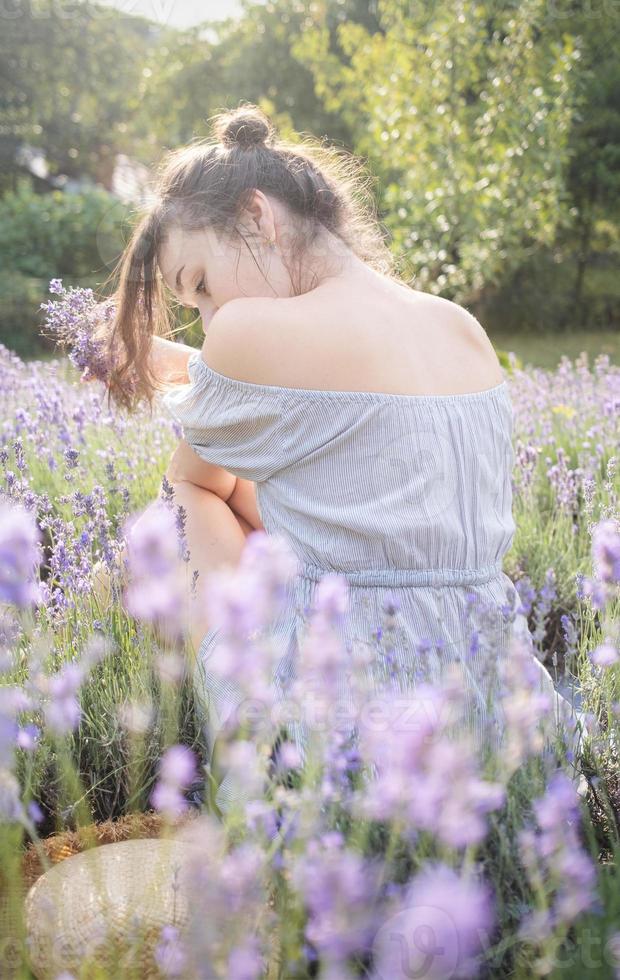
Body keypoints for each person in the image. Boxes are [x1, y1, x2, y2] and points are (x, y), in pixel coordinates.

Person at [98, 103, 580, 813]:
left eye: (199, 283)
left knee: (192, 502)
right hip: (495, 704)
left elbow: (194, 483)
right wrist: (192, 367)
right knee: (261, 503)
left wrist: (191, 370)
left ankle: (253, 742)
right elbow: (358, 484)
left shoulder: (248, 332)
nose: (209, 313)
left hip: (354, 713)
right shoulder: (457, 325)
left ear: (256, 215)